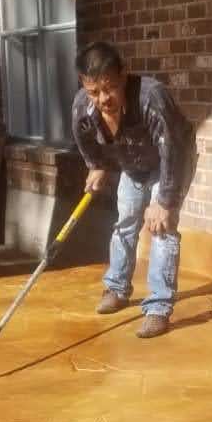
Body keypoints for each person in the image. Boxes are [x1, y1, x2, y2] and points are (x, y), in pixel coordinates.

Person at [71, 41, 196, 338]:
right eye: (93, 92)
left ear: (124, 75)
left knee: (161, 227)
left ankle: (158, 307)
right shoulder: (83, 107)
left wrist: (164, 200)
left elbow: (173, 150)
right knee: (126, 220)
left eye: (110, 88)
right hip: (133, 161)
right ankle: (116, 288)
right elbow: (84, 138)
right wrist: (97, 165)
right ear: (84, 86)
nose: (103, 99)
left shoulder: (152, 97)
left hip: (172, 161)